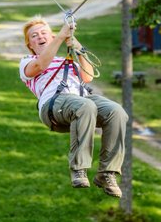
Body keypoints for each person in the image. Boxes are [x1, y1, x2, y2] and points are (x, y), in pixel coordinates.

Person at [19, 16, 128, 198]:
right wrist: (61, 37)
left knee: (117, 112)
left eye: (44, 33)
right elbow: (41, 64)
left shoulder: (68, 61)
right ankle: (79, 168)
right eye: (34, 36)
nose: (40, 37)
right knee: (85, 106)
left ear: (51, 37)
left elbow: (88, 77)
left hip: (81, 100)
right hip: (54, 103)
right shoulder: (27, 61)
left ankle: (107, 173)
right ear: (30, 44)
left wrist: (75, 44)